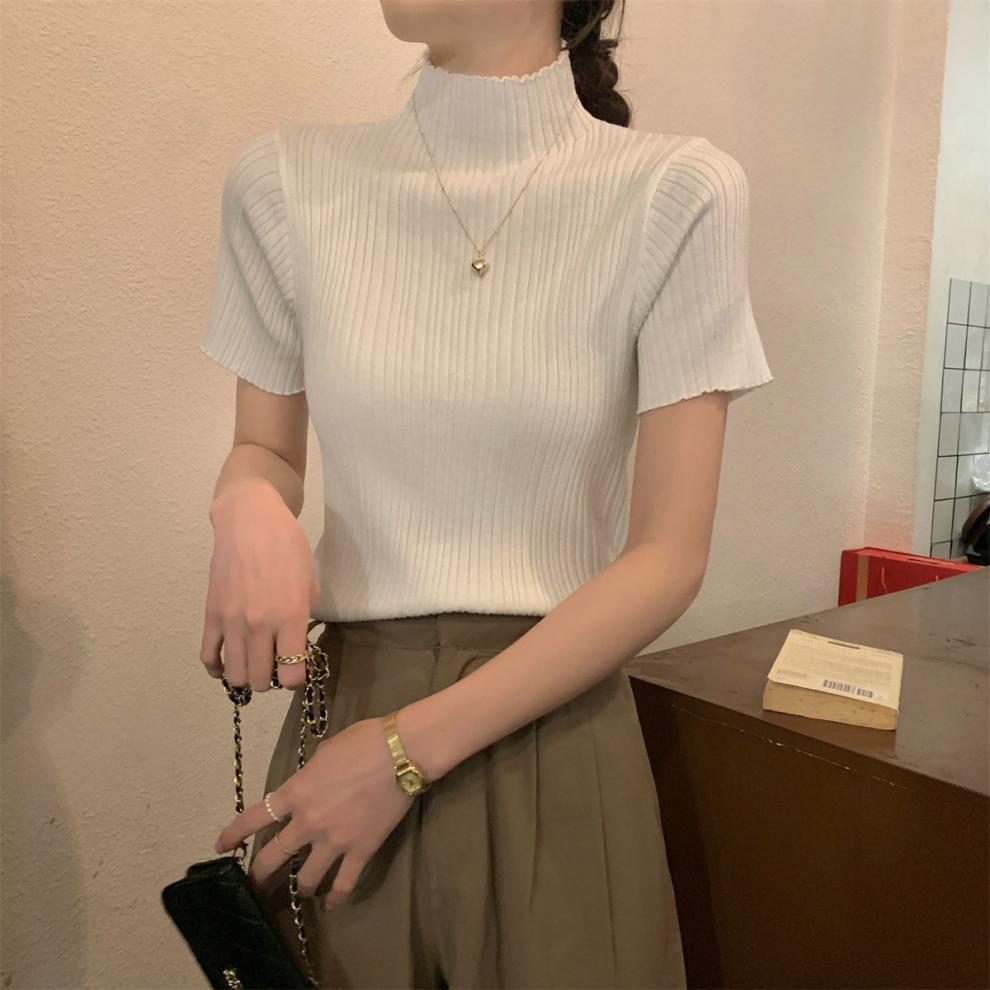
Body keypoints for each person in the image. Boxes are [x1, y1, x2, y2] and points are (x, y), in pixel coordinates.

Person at [201, 1, 774, 987]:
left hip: (552, 727)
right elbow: (264, 450)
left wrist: (400, 753)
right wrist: (246, 504)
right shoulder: (284, 184)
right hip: (344, 719)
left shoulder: (677, 193)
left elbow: (669, 554)